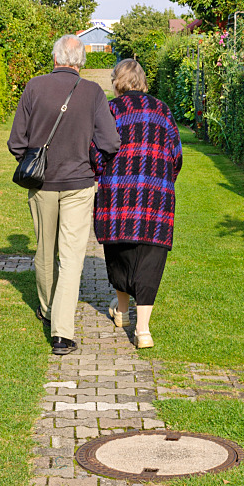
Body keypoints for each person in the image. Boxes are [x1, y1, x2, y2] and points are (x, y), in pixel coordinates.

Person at [8, 35, 120, 355]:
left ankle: (47, 310)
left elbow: (17, 142)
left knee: (44, 252)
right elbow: (110, 143)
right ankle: (62, 333)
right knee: (71, 258)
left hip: (41, 185)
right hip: (79, 184)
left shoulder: (34, 87)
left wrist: (32, 162)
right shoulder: (92, 92)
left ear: (55, 57)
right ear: (80, 61)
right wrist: (93, 162)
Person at [93, 59, 182, 349]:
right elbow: (176, 154)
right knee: (150, 257)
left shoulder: (111, 109)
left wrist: (98, 172)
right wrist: (165, 178)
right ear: (142, 80)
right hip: (156, 194)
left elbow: (97, 151)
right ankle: (142, 330)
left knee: (119, 251)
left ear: (117, 81)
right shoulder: (162, 110)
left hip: (118, 195)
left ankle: (122, 312)